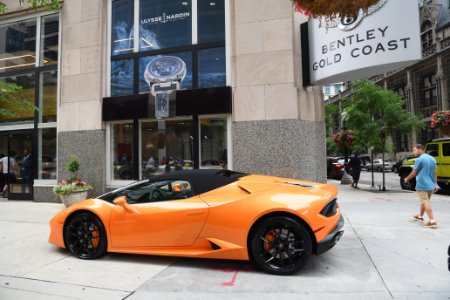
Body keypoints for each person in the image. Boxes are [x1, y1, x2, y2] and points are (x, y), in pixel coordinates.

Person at [404, 144, 438, 228]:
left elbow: (414, 172)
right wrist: (436, 184)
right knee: (425, 201)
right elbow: (434, 173)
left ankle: (432, 220)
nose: (413, 152)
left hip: (422, 184)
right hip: (431, 184)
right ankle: (420, 216)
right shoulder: (432, 159)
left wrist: (407, 178)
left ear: (420, 149)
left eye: (414, 150)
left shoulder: (419, 159)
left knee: (425, 202)